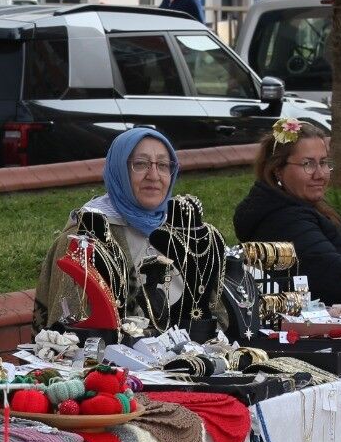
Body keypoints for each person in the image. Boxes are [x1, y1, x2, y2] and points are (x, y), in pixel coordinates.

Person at [34, 128, 233, 334]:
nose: (153, 176)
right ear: (119, 169)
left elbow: (213, 314)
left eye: (163, 165)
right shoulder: (85, 236)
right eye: (140, 164)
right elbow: (67, 331)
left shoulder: (183, 230)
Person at [233, 119, 341, 304]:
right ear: (278, 170)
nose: (320, 174)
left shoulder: (300, 205)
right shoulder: (285, 221)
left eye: (323, 162)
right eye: (308, 164)